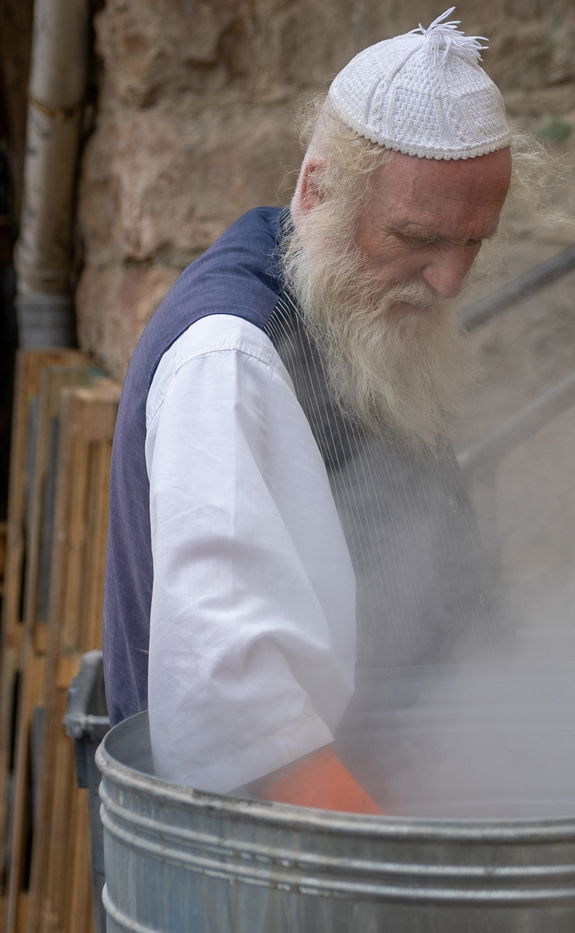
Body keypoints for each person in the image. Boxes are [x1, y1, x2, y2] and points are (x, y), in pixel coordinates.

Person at [102, 10, 512, 813]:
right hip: (272, 876)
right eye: (419, 237)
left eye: (475, 242)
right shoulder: (230, 359)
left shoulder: (356, 316)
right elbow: (250, 733)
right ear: (318, 188)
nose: (450, 281)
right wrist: (426, 885)